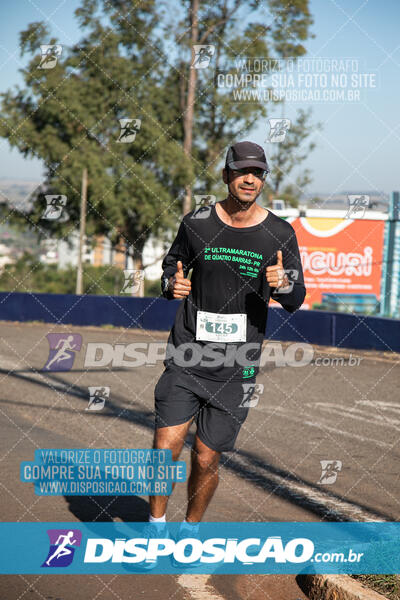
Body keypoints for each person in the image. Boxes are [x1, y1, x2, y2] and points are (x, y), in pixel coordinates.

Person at [149, 140, 306, 530]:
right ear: (226, 176)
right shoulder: (196, 223)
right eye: (241, 172)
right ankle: (154, 527)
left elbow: (296, 296)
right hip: (187, 354)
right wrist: (171, 283)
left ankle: (190, 529)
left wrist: (283, 283)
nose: (249, 179)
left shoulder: (279, 233)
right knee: (164, 447)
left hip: (236, 366)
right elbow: (172, 266)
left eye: (257, 173)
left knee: (206, 458)